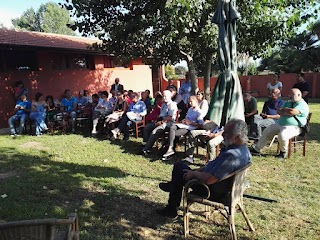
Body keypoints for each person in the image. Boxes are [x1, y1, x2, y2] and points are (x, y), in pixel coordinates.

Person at [156, 119, 251, 218]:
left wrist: (194, 174)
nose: (223, 135)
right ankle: (173, 185)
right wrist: (199, 170)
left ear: (237, 137)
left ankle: (171, 208)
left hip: (210, 190)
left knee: (179, 168)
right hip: (224, 187)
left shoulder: (231, 156)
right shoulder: (244, 150)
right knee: (181, 171)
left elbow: (209, 179)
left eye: (227, 133)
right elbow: (215, 168)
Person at [251, 88, 309, 159]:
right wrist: (287, 111)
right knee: (267, 130)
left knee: (282, 135)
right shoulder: (288, 102)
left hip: (295, 127)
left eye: (292, 95)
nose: (289, 96)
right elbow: (278, 111)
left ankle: (283, 152)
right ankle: (257, 149)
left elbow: (292, 112)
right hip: (280, 124)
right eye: (289, 94)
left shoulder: (302, 104)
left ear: (299, 95)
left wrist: (285, 110)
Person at [142, 90, 178, 155]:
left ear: (170, 96)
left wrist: (161, 122)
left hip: (168, 123)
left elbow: (170, 117)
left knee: (154, 131)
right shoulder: (163, 104)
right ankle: (146, 144)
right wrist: (157, 121)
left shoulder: (172, 105)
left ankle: (146, 149)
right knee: (147, 127)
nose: (164, 98)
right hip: (160, 121)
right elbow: (161, 115)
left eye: (166, 96)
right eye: (163, 96)